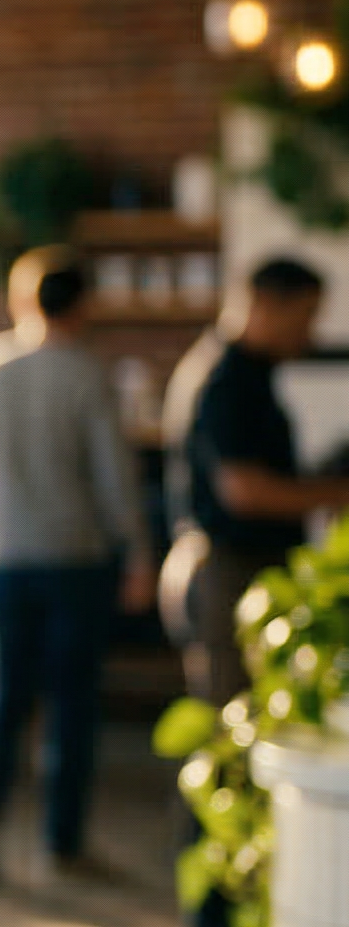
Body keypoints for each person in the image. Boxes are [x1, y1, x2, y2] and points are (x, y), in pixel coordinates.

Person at [0, 247, 152, 882]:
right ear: (83, 305)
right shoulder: (88, 375)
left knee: (0, 695)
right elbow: (117, 478)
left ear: (19, 299)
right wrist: (136, 553)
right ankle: (62, 842)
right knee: (71, 701)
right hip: (76, 558)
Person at [166, 256, 349, 703]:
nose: (308, 333)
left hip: (235, 565)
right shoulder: (227, 379)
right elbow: (244, 491)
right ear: (266, 304)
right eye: (304, 316)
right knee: (235, 717)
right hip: (230, 569)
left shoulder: (246, 373)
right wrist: (337, 492)